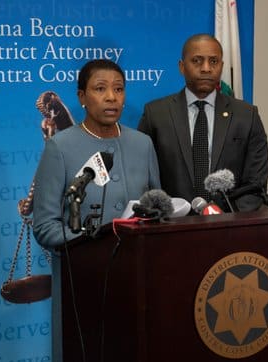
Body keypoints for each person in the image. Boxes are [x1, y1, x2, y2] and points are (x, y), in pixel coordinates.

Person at [32, 59, 161, 362]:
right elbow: (45, 226)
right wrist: (90, 243)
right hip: (83, 285)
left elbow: (159, 208)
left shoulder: (143, 144)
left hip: (137, 283)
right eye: (100, 89)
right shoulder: (60, 148)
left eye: (118, 89)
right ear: (81, 97)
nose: (111, 97)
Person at [137, 33, 268, 211]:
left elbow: (256, 182)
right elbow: (143, 179)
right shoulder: (156, 114)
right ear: (182, 67)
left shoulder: (246, 115)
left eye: (213, 61)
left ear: (221, 66)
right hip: (171, 228)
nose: (206, 68)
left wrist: (224, 215)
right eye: (197, 61)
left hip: (230, 226)